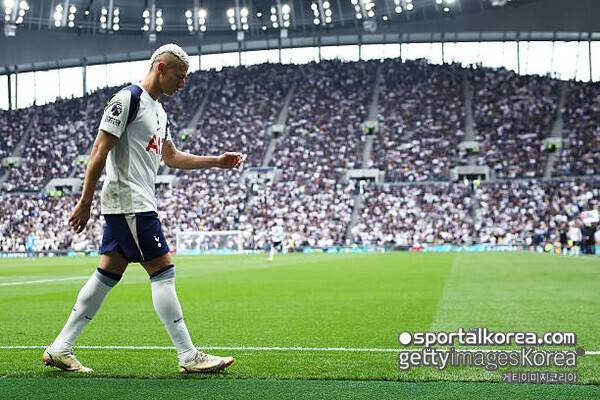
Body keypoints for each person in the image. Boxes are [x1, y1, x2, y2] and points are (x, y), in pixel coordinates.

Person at [43, 44, 244, 374]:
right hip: (130, 202)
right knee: (163, 271)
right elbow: (99, 150)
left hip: (134, 203)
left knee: (107, 274)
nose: (182, 84)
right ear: (161, 68)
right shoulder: (128, 99)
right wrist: (85, 201)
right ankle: (188, 355)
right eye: (179, 77)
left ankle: (60, 348)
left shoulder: (160, 113)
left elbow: (172, 157)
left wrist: (216, 161)